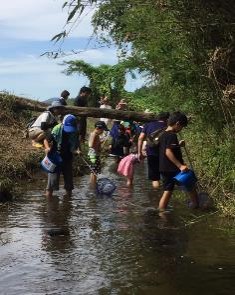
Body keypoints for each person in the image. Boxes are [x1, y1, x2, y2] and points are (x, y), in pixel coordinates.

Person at [158, 111, 199, 211]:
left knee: (167, 190)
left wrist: (178, 145)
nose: (180, 130)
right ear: (177, 124)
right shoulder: (172, 135)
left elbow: (167, 148)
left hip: (164, 167)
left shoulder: (163, 134)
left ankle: (161, 211)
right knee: (190, 182)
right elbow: (168, 152)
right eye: (182, 127)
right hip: (172, 167)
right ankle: (195, 204)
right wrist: (180, 166)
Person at [44, 114, 81, 198]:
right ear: (63, 124)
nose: (69, 131)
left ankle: (67, 203)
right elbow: (46, 140)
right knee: (51, 185)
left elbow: (77, 144)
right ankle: (49, 204)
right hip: (55, 158)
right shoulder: (56, 129)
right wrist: (47, 148)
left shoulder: (75, 132)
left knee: (69, 185)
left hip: (68, 158)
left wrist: (78, 150)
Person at [138, 112, 169, 188]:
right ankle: (166, 194)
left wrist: (139, 152)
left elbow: (140, 138)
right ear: (167, 119)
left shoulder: (148, 125)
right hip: (164, 154)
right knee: (166, 176)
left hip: (151, 153)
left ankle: (156, 196)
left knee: (155, 178)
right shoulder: (168, 126)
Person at [88, 120, 108, 186]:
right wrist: (98, 143)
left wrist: (100, 142)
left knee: (94, 171)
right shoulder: (94, 134)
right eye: (102, 130)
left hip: (95, 155)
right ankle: (92, 185)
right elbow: (90, 145)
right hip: (93, 155)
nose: (102, 132)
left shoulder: (96, 135)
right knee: (94, 172)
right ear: (98, 128)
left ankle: (93, 184)